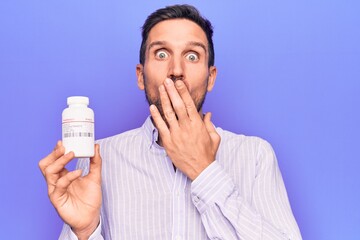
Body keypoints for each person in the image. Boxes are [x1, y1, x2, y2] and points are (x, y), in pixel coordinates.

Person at [39, 4, 302, 240]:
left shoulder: (255, 156)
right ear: (141, 76)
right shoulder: (99, 158)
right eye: (162, 54)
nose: (176, 70)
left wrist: (204, 171)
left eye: (192, 56)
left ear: (211, 78)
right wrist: (84, 232)